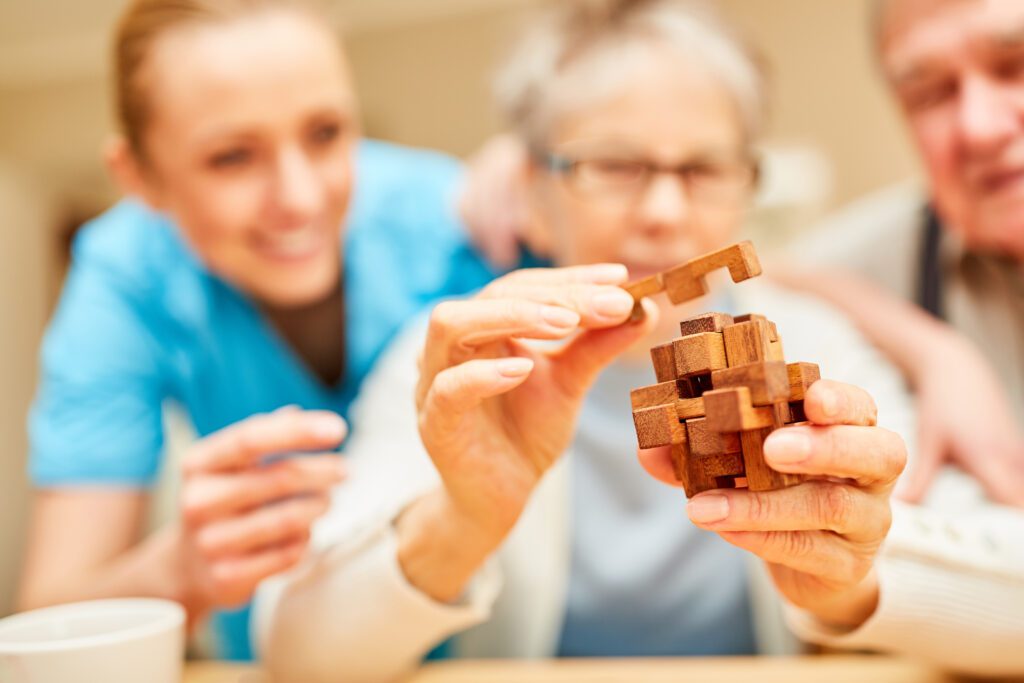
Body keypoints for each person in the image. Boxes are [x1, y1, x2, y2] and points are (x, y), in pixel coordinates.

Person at [254, 1, 1021, 679]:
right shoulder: (462, 358)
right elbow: (293, 654)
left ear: (748, 187)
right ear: (530, 192)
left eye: (703, 168)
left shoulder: (816, 348)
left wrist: (853, 573)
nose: (661, 212)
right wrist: (460, 518)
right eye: (613, 165)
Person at [16, 0, 505, 660]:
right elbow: (51, 623)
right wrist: (179, 571)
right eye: (232, 157)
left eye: (326, 133)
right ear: (139, 177)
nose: (299, 197)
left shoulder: (459, 215)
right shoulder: (125, 276)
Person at [783, 0, 1024, 506]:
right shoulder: (886, 255)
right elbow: (756, 276)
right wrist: (933, 350)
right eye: (929, 94)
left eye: (1016, 64)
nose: (979, 128)